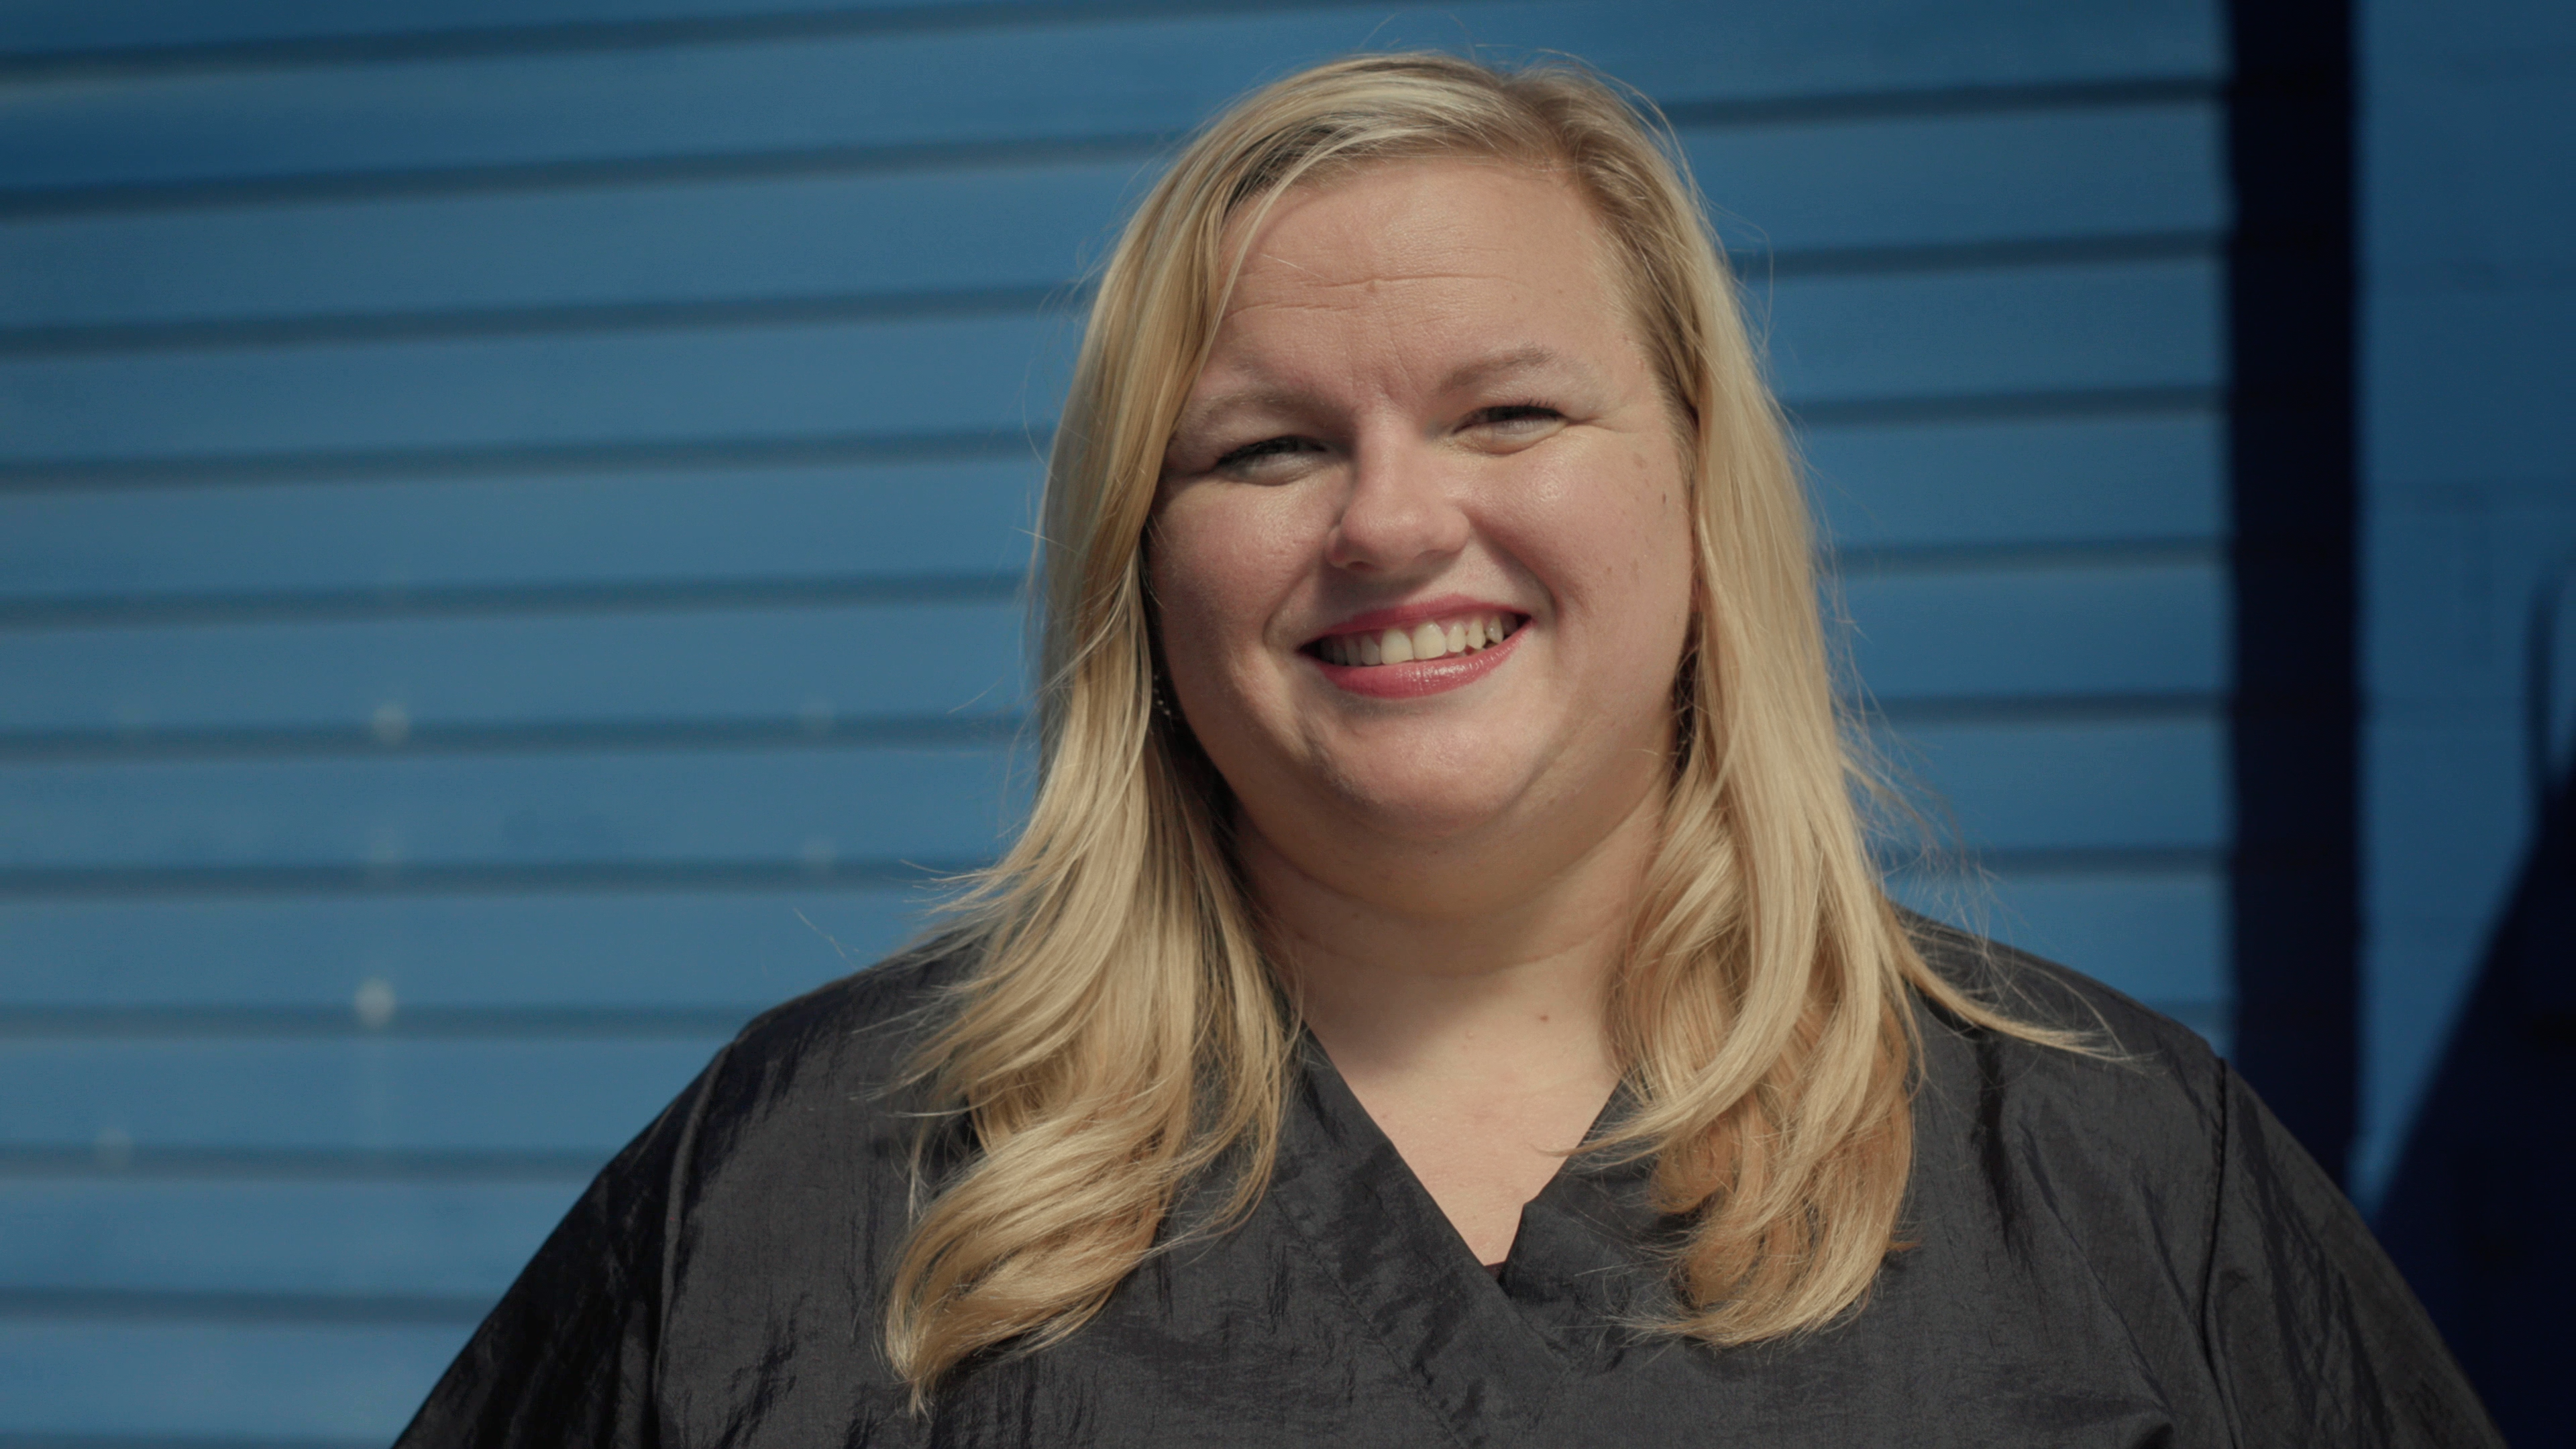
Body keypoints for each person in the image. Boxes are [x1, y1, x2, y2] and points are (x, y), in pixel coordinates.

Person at [396, 53, 2497, 1446]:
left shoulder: (2124, 1182)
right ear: (1145, 564)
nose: (1394, 521)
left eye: (1508, 412)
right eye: (1270, 445)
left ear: (1696, 495)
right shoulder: (810, 1186)